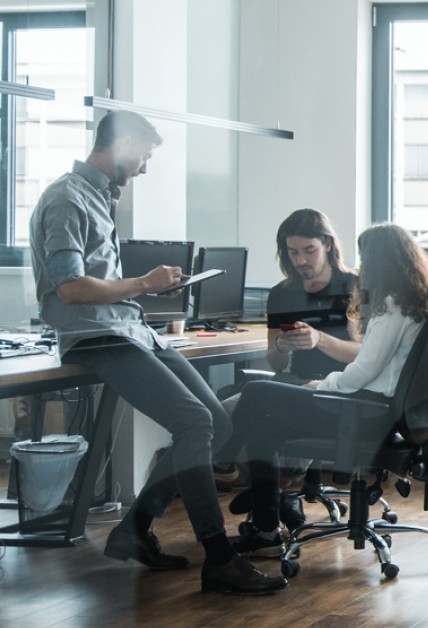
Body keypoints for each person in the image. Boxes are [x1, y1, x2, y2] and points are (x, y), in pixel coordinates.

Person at [28, 109, 286, 596]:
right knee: (194, 421)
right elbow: (70, 289)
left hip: (131, 329)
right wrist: (144, 283)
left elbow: (101, 284)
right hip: (96, 337)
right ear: (123, 144)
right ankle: (218, 556)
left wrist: (147, 292)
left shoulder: (98, 197)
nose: (144, 167)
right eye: (143, 156)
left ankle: (134, 528)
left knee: (218, 421)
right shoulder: (66, 199)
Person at [223, 223, 428, 555]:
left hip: (366, 414)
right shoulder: (418, 302)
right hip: (383, 414)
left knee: (257, 391)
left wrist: (323, 385)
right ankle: (267, 528)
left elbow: (364, 369)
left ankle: (224, 461)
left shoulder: (392, 304)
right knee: (265, 427)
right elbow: (376, 371)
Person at [266, 209, 360, 381]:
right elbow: (277, 365)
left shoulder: (355, 287)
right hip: (300, 382)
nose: (301, 261)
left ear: (327, 245)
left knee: (250, 395)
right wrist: (280, 347)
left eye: (310, 251)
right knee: (237, 399)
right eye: (293, 252)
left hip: (341, 385)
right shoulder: (281, 294)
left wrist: (319, 339)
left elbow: (363, 354)